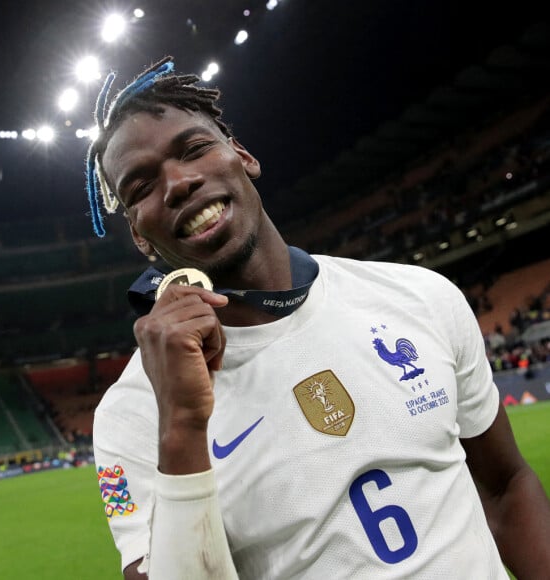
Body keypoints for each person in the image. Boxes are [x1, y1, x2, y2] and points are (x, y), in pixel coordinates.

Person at [89, 56, 550, 579]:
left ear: (242, 155)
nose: (176, 183)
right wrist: (182, 425)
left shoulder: (420, 296)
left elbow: (506, 486)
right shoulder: (131, 413)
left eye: (194, 148)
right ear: (140, 235)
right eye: (141, 187)